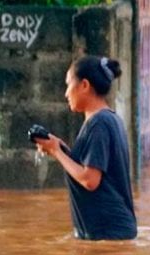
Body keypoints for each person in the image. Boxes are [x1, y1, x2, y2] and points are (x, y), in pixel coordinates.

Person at [33, 55, 137, 240]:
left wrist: (57, 151)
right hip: (112, 233)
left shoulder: (98, 124)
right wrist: (60, 148)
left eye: (68, 84)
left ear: (84, 85)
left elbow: (90, 180)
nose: (66, 93)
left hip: (108, 234)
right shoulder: (109, 119)